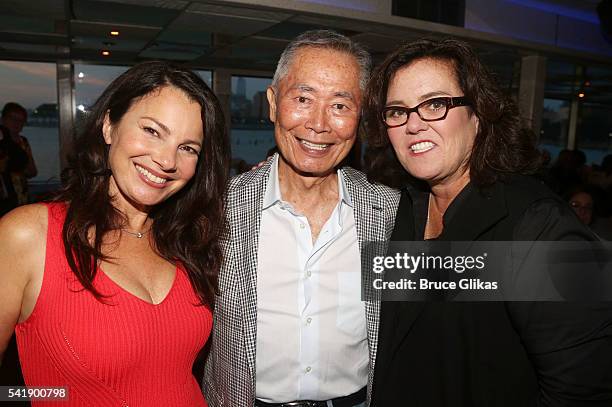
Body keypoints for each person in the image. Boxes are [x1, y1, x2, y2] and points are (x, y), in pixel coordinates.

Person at [363, 38, 612, 406]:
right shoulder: (399, 209)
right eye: (398, 111)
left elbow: (583, 390)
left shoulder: (535, 225)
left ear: (478, 115)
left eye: (435, 104)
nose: (413, 124)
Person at [0, 61, 230, 406]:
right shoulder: (29, 234)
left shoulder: (189, 242)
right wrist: (52, 394)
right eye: (153, 131)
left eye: (188, 148)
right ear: (109, 126)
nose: (167, 160)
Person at [203, 30, 400, 407]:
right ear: (274, 104)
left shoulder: (390, 212)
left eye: (340, 106)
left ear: (360, 117)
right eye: (303, 99)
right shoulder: (218, 208)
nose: (319, 124)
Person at [0, 102, 37, 205]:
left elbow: (33, 172)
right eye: (12, 118)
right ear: (3, 119)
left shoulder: (23, 142)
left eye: (21, 120)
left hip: (21, 195)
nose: (16, 123)